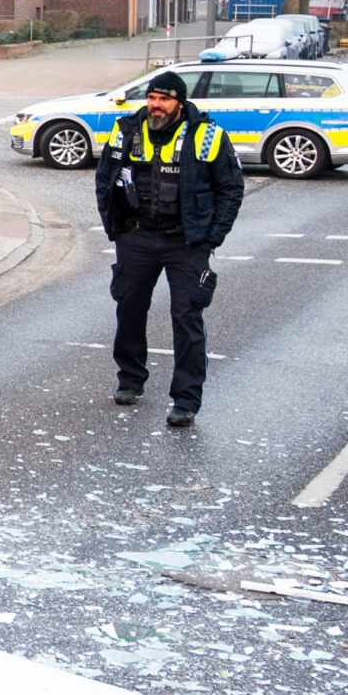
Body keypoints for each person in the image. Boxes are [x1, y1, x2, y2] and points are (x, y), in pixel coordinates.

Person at [95, 69, 243, 427]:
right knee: (129, 308)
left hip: (187, 241)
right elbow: (105, 179)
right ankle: (130, 380)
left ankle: (186, 399)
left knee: (187, 316)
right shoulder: (126, 130)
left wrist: (212, 237)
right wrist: (116, 229)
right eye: (151, 98)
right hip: (138, 236)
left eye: (163, 99)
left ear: (179, 102)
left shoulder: (208, 135)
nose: (155, 106)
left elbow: (231, 188)